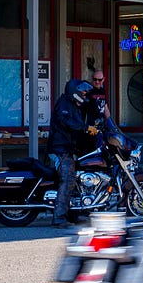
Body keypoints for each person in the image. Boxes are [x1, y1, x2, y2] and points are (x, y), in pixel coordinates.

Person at [48, 79, 94, 228]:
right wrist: (86, 127)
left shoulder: (75, 105)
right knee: (67, 178)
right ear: (74, 92)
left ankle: (74, 214)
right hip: (60, 149)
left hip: (69, 149)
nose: (85, 93)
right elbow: (68, 122)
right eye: (82, 91)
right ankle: (59, 217)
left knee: (78, 179)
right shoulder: (64, 104)